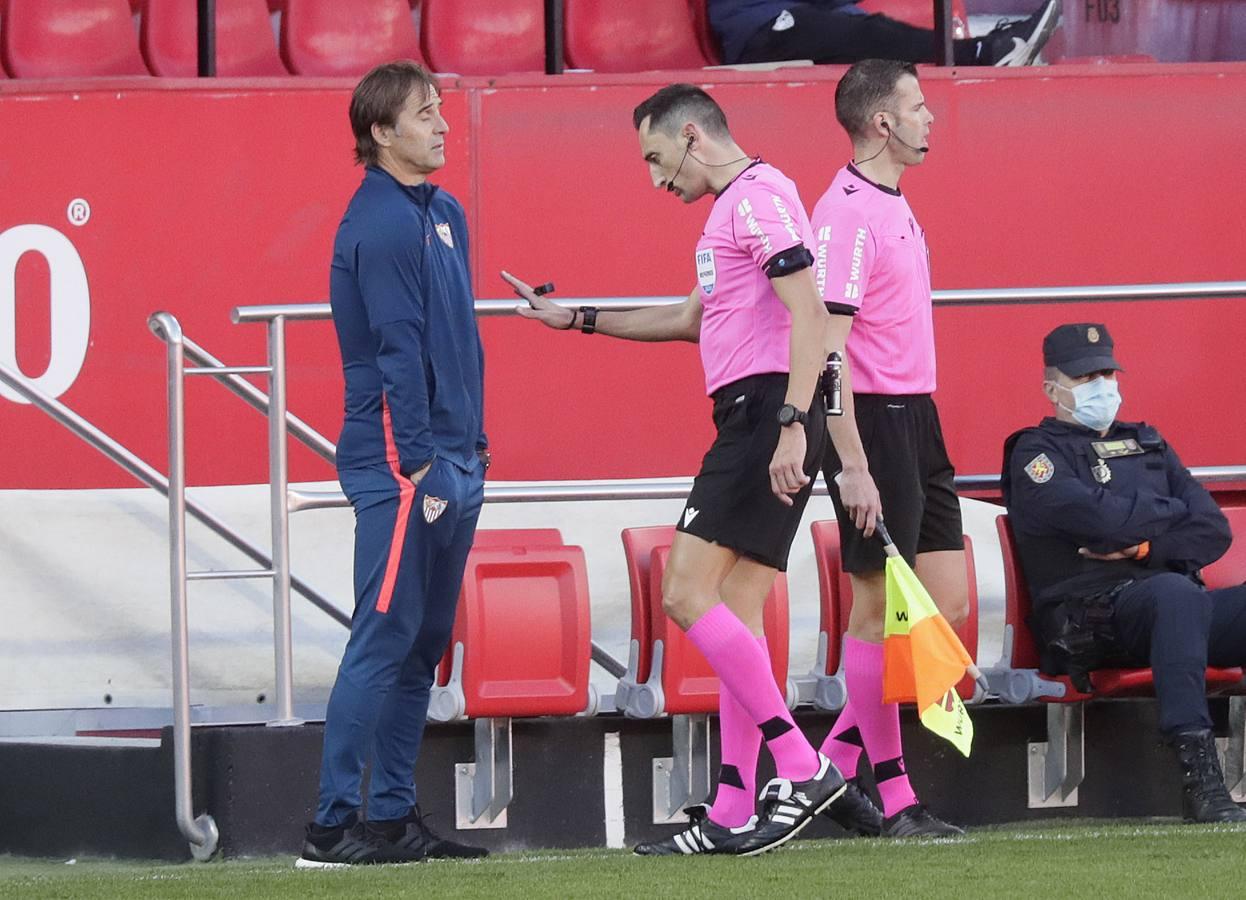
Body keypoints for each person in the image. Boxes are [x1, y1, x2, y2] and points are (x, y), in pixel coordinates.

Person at [504, 83, 846, 856]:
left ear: (692, 136)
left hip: (767, 415)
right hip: (759, 414)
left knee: (687, 594)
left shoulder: (758, 196)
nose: (657, 180)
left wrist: (793, 425)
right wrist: (577, 320)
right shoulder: (735, 210)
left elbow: (813, 314)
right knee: (736, 610)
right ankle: (730, 812)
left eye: (657, 159)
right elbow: (691, 320)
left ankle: (801, 765)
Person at [297, 60, 492, 868]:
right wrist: (420, 463)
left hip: (456, 453)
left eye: (442, 111)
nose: (444, 125)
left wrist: (470, 447)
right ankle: (330, 827)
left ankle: (390, 817)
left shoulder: (443, 212)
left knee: (422, 643)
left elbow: (456, 341)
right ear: (381, 133)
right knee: (381, 637)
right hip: (401, 463)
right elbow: (396, 353)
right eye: (425, 114)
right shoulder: (375, 223)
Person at [808, 59, 967, 837]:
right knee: (878, 613)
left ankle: (827, 773)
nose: (930, 117)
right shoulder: (842, 216)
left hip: (919, 416)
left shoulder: (894, 202)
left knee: (944, 604)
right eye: (917, 105)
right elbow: (826, 354)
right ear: (881, 123)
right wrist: (855, 463)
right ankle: (896, 798)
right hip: (872, 424)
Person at [1003, 323, 1246, 824]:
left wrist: (1140, 546)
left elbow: (1213, 530)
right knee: (1175, 594)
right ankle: (1201, 778)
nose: (1102, 385)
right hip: (1089, 621)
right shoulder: (1036, 454)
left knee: (1181, 597)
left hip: (1169, 607)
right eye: (1086, 376)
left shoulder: (1147, 443)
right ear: (1053, 390)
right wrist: (1167, 513)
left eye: (1107, 372)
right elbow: (1095, 519)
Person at [709, 0, 1061, 68]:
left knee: (880, 30)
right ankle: (987, 52)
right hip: (759, 29)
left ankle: (984, 51)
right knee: (871, 33)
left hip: (800, 15)